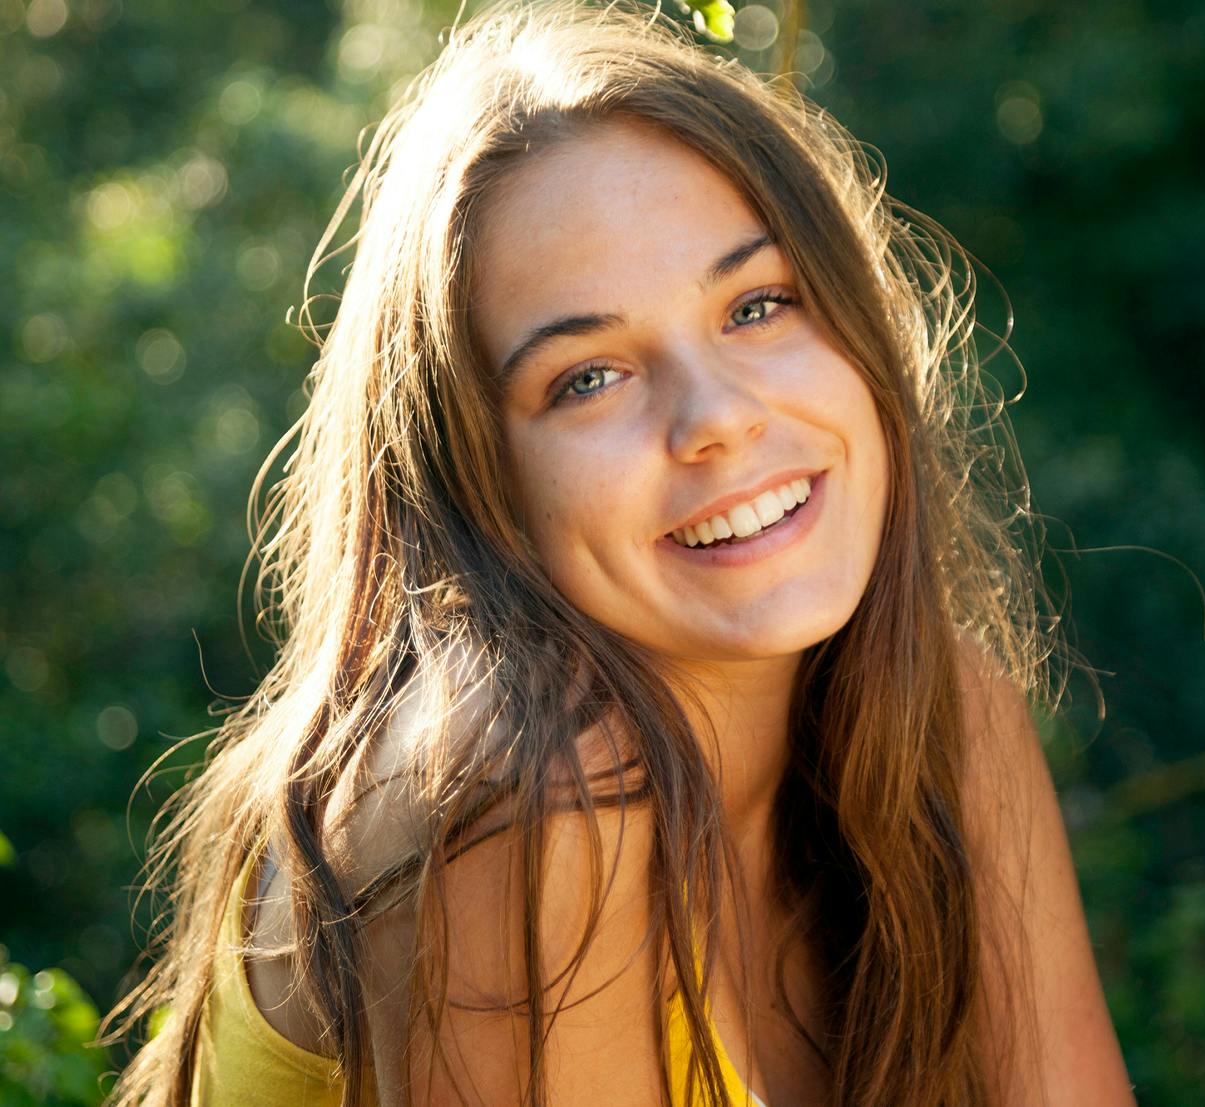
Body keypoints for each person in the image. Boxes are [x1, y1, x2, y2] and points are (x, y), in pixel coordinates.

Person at [104, 1, 1137, 1104]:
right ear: (475, 479)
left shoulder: (943, 720)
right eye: (588, 377)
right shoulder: (519, 793)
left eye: (758, 306)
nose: (716, 419)